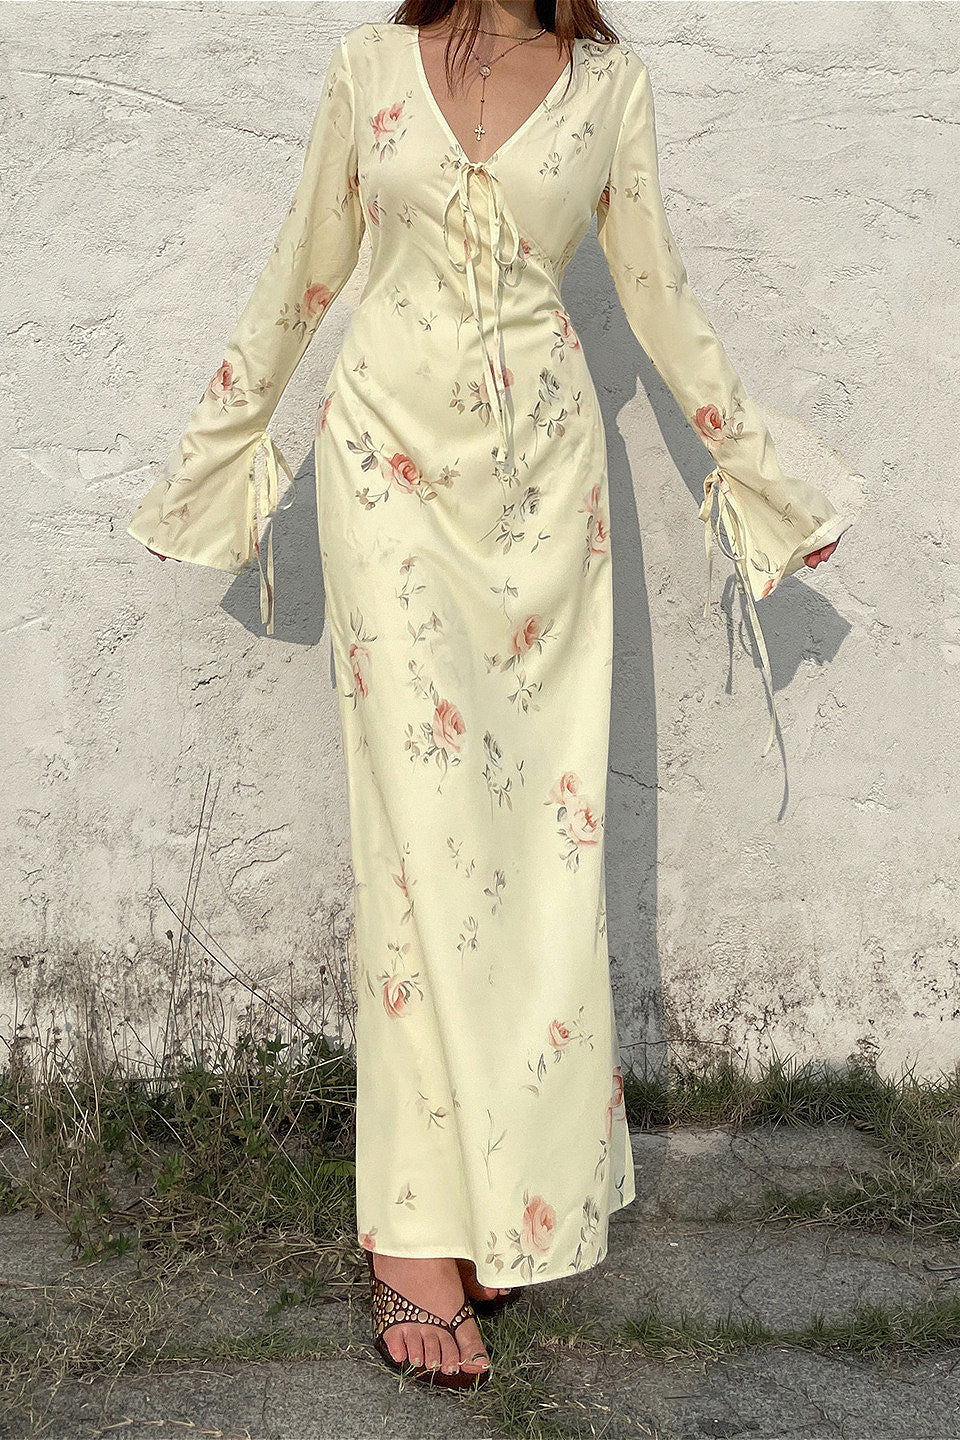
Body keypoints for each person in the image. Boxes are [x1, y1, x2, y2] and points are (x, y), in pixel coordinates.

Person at [126, 0, 852, 1390]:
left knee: (537, 855)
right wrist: (218, 456)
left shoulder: (610, 86)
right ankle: (414, 1233)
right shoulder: (366, 68)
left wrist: (759, 476)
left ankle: (510, 1189)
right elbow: (302, 273)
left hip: (545, 498)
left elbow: (658, 295)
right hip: (386, 475)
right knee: (414, 847)